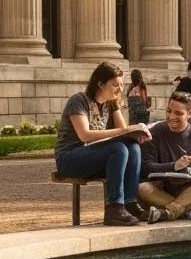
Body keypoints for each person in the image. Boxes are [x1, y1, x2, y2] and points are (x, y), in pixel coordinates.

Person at [54, 61, 150, 226]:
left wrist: (136, 134)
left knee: (132, 147)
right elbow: (84, 136)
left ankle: (129, 202)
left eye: (121, 84)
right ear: (100, 83)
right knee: (118, 149)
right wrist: (126, 131)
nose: (120, 89)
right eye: (115, 85)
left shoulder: (111, 104)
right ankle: (114, 208)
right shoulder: (78, 100)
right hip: (69, 158)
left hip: (94, 156)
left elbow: (124, 131)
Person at [139, 91, 191, 223]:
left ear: (190, 113)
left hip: (189, 191)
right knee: (142, 188)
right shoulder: (154, 133)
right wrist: (174, 166)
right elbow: (146, 167)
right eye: (169, 111)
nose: (171, 116)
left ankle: (168, 212)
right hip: (162, 191)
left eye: (178, 113)